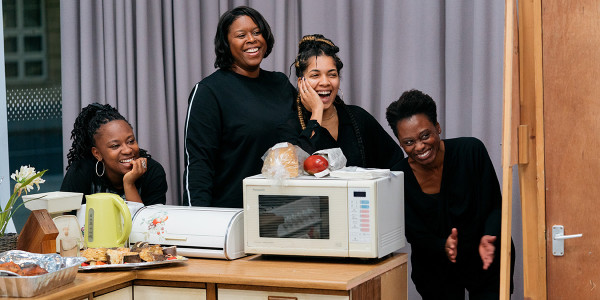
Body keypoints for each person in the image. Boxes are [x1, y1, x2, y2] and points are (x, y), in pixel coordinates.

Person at [385, 89, 514, 299]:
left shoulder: (471, 151)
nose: (419, 147)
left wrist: (489, 237)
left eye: (425, 135)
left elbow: (495, 206)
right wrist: (441, 245)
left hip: (485, 255)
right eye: (409, 142)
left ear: (437, 128)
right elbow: (414, 234)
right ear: (400, 143)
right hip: (435, 267)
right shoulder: (398, 177)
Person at [183, 6, 296, 207]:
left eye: (256, 32)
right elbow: (199, 165)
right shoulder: (209, 92)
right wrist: (198, 221)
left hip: (285, 211)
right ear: (226, 43)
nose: (251, 39)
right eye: (241, 35)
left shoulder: (280, 84)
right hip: (233, 214)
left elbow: (302, 142)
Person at [278, 34, 403, 168]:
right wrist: (316, 113)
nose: (325, 82)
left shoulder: (358, 117)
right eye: (315, 75)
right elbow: (292, 170)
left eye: (332, 74)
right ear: (301, 82)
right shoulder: (289, 126)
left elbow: (396, 162)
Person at [61, 103, 167, 206]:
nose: (127, 150)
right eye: (115, 146)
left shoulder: (152, 171)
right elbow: (65, 218)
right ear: (97, 153)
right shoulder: (82, 171)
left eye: (131, 141)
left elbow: (147, 223)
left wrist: (129, 184)